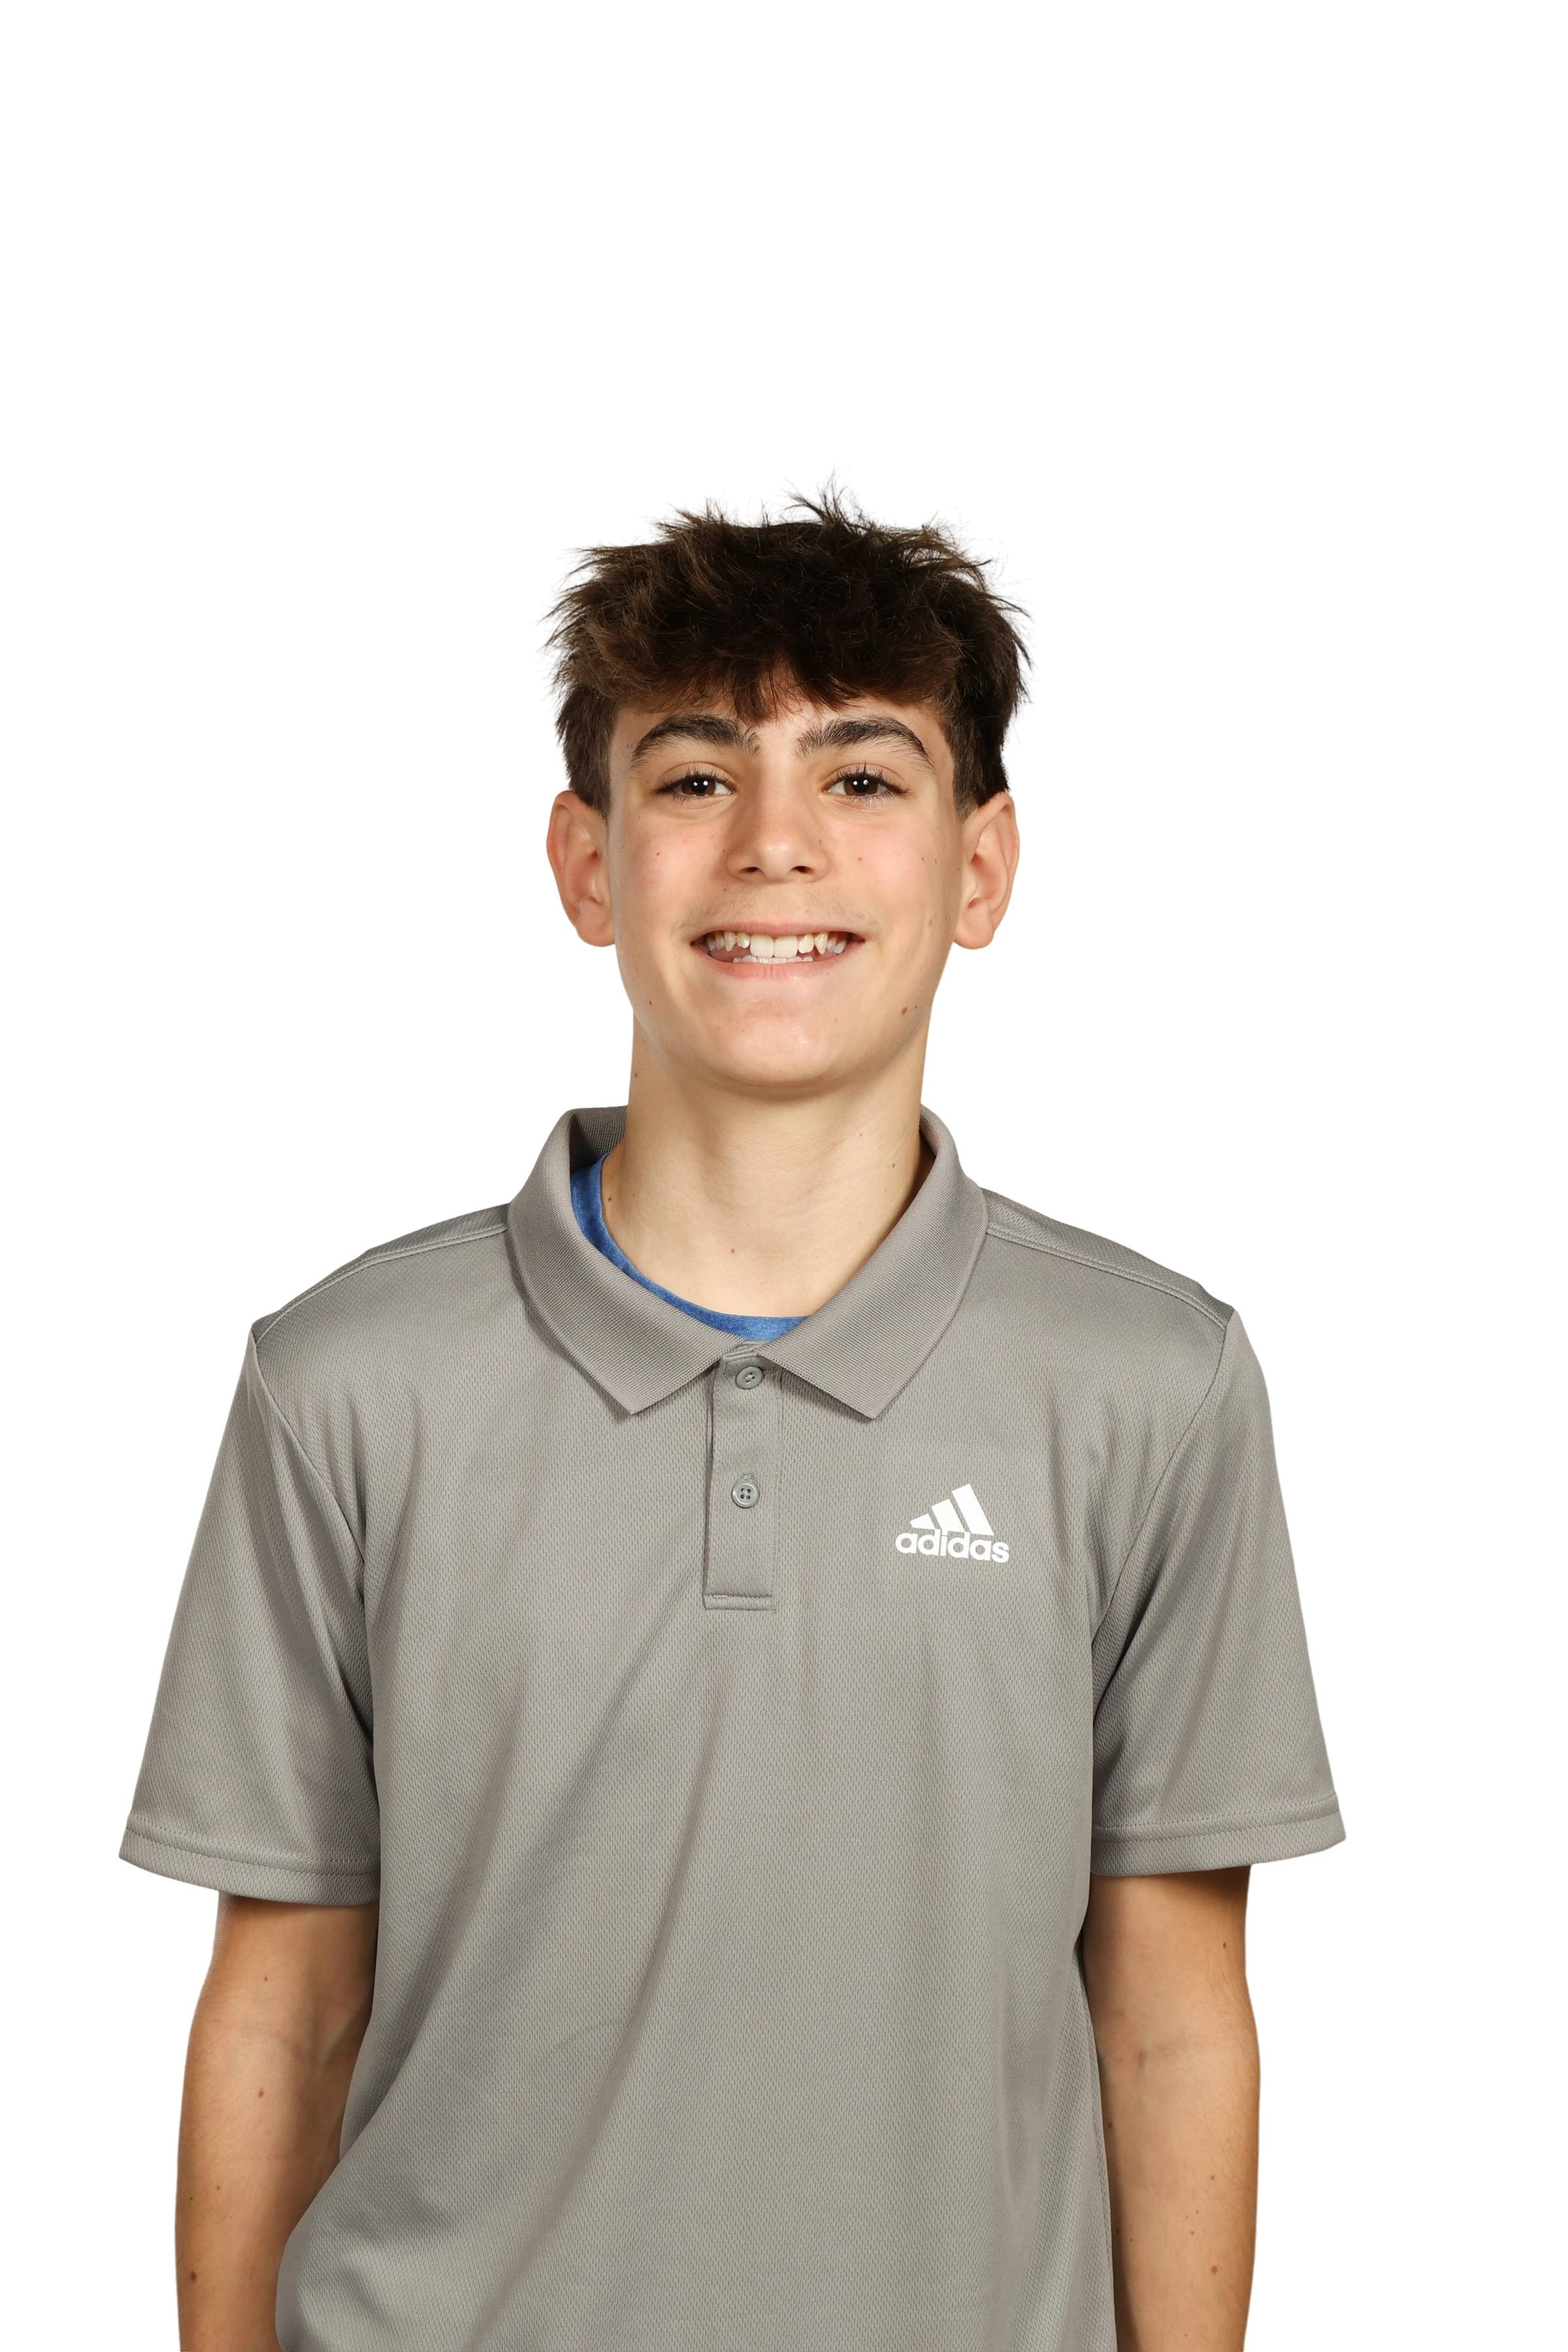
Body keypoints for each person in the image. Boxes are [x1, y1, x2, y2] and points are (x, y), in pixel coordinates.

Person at [119, 467, 1347, 2352]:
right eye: (696, 777)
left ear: (984, 867)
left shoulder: (1148, 1380)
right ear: (585, 866)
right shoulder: (346, 1379)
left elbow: (1173, 2018)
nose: (776, 845)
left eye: (861, 777)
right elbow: (282, 2008)